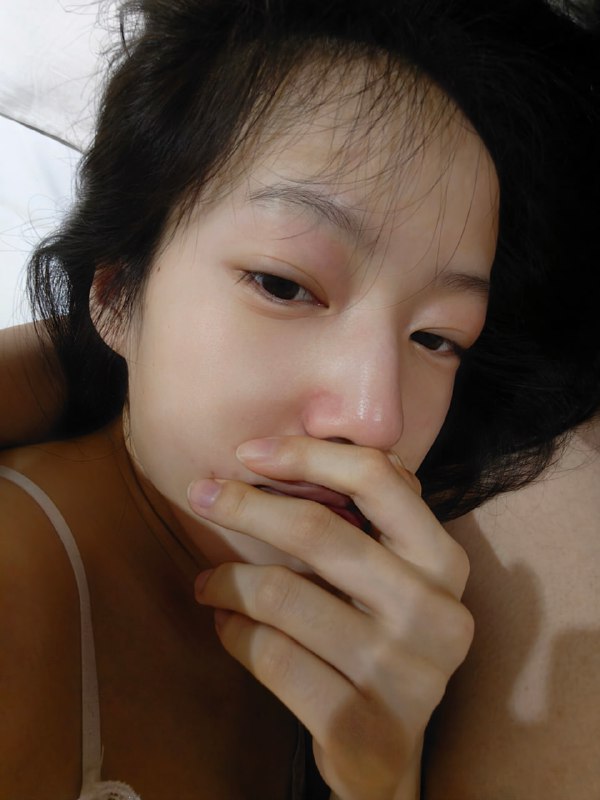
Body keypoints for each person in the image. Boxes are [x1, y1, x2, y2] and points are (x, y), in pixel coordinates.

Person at [1, 1, 599, 798]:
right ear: (114, 298)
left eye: (437, 337)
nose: (376, 419)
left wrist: (383, 782)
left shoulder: (405, 630)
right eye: (284, 286)